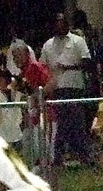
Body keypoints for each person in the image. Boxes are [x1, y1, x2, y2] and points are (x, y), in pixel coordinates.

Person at [40, 11, 95, 166]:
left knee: (77, 122)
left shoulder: (77, 41)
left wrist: (69, 67)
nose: (59, 26)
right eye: (56, 23)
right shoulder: (48, 45)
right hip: (56, 88)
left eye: (62, 22)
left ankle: (83, 156)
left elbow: (87, 62)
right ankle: (58, 156)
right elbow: (42, 66)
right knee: (61, 124)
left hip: (74, 87)